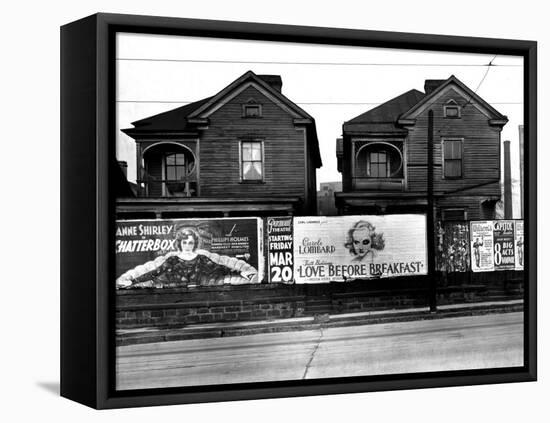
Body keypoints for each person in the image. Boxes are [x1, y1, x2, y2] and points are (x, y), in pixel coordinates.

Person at [116, 227, 258, 289]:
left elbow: (220, 268)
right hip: (174, 293)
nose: (187, 245)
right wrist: (132, 281)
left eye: (190, 242)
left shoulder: (201, 257)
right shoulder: (173, 259)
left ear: (195, 243)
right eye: (185, 242)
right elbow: (155, 272)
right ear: (180, 243)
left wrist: (242, 272)